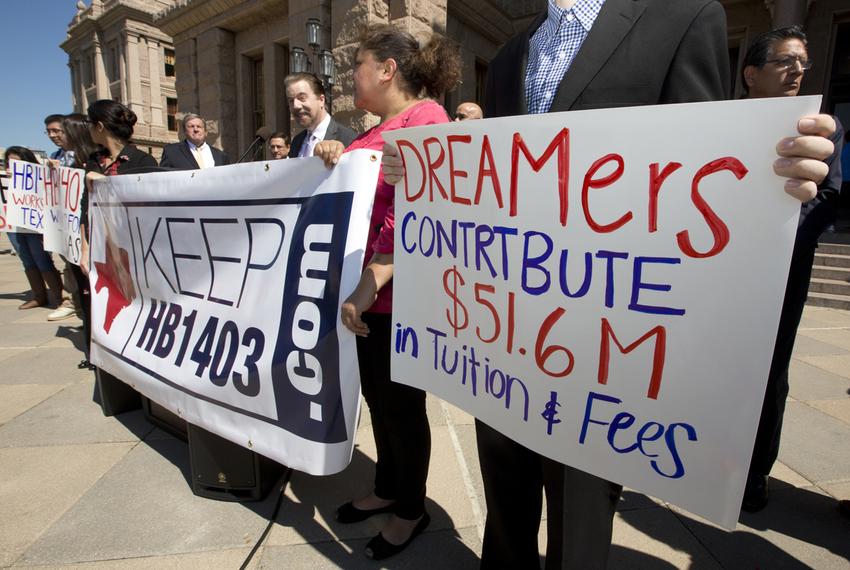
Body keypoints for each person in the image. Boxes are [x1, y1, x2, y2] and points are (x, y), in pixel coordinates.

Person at [379, 1, 838, 567]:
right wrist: (425, 173)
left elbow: (704, 170)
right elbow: (493, 184)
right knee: (505, 498)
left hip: (602, 345)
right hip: (504, 332)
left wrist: (773, 176)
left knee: (580, 514)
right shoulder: (507, 59)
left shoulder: (682, 18)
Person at [312, 24, 460, 561]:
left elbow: (413, 214)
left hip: (397, 294)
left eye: (358, 63)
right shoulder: (374, 129)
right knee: (378, 397)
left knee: (401, 407)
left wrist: (372, 282)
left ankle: (410, 509)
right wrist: (335, 153)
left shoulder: (427, 120)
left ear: (387, 69)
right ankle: (390, 487)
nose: (352, 74)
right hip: (368, 291)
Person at [741, 26, 844, 513]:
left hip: (782, 276)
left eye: (802, 62)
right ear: (751, 73)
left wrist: (776, 240)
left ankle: (756, 470)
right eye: (784, 61)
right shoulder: (723, 124)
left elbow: (827, 196)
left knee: (770, 373)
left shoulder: (821, 131)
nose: (797, 70)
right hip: (720, 271)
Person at [77, 100, 157, 370]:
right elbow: (85, 210)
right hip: (100, 248)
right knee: (100, 301)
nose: (89, 130)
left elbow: (147, 208)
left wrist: (107, 186)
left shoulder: (142, 161)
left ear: (99, 126)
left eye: (90, 124)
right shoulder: (93, 160)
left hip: (129, 248)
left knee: (129, 300)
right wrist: (85, 249)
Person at [61, 113, 102, 369]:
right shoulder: (64, 162)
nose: (57, 137)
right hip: (76, 241)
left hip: (96, 242)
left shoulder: (93, 163)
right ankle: (92, 352)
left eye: (62, 131)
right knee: (84, 297)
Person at [3, 146, 64, 311]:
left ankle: (60, 299)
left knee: (41, 259)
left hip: (33, 225)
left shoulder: (40, 177)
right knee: (27, 260)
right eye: (10, 163)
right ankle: (39, 296)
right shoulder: (4, 179)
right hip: (13, 225)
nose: (12, 166)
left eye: (17, 163)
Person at [43, 113, 80, 321]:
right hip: (63, 219)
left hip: (79, 218)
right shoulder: (55, 156)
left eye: (57, 130)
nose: (52, 135)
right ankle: (70, 300)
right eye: (48, 131)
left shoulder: (83, 155)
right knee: (67, 261)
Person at [285, 72, 357, 158]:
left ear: (321, 100)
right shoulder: (297, 142)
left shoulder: (347, 139)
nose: (296, 106)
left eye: (302, 98)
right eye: (291, 100)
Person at [159, 113, 229, 169]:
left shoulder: (221, 156)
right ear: (185, 131)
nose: (196, 129)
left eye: (199, 126)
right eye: (191, 126)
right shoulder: (171, 152)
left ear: (205, 132)